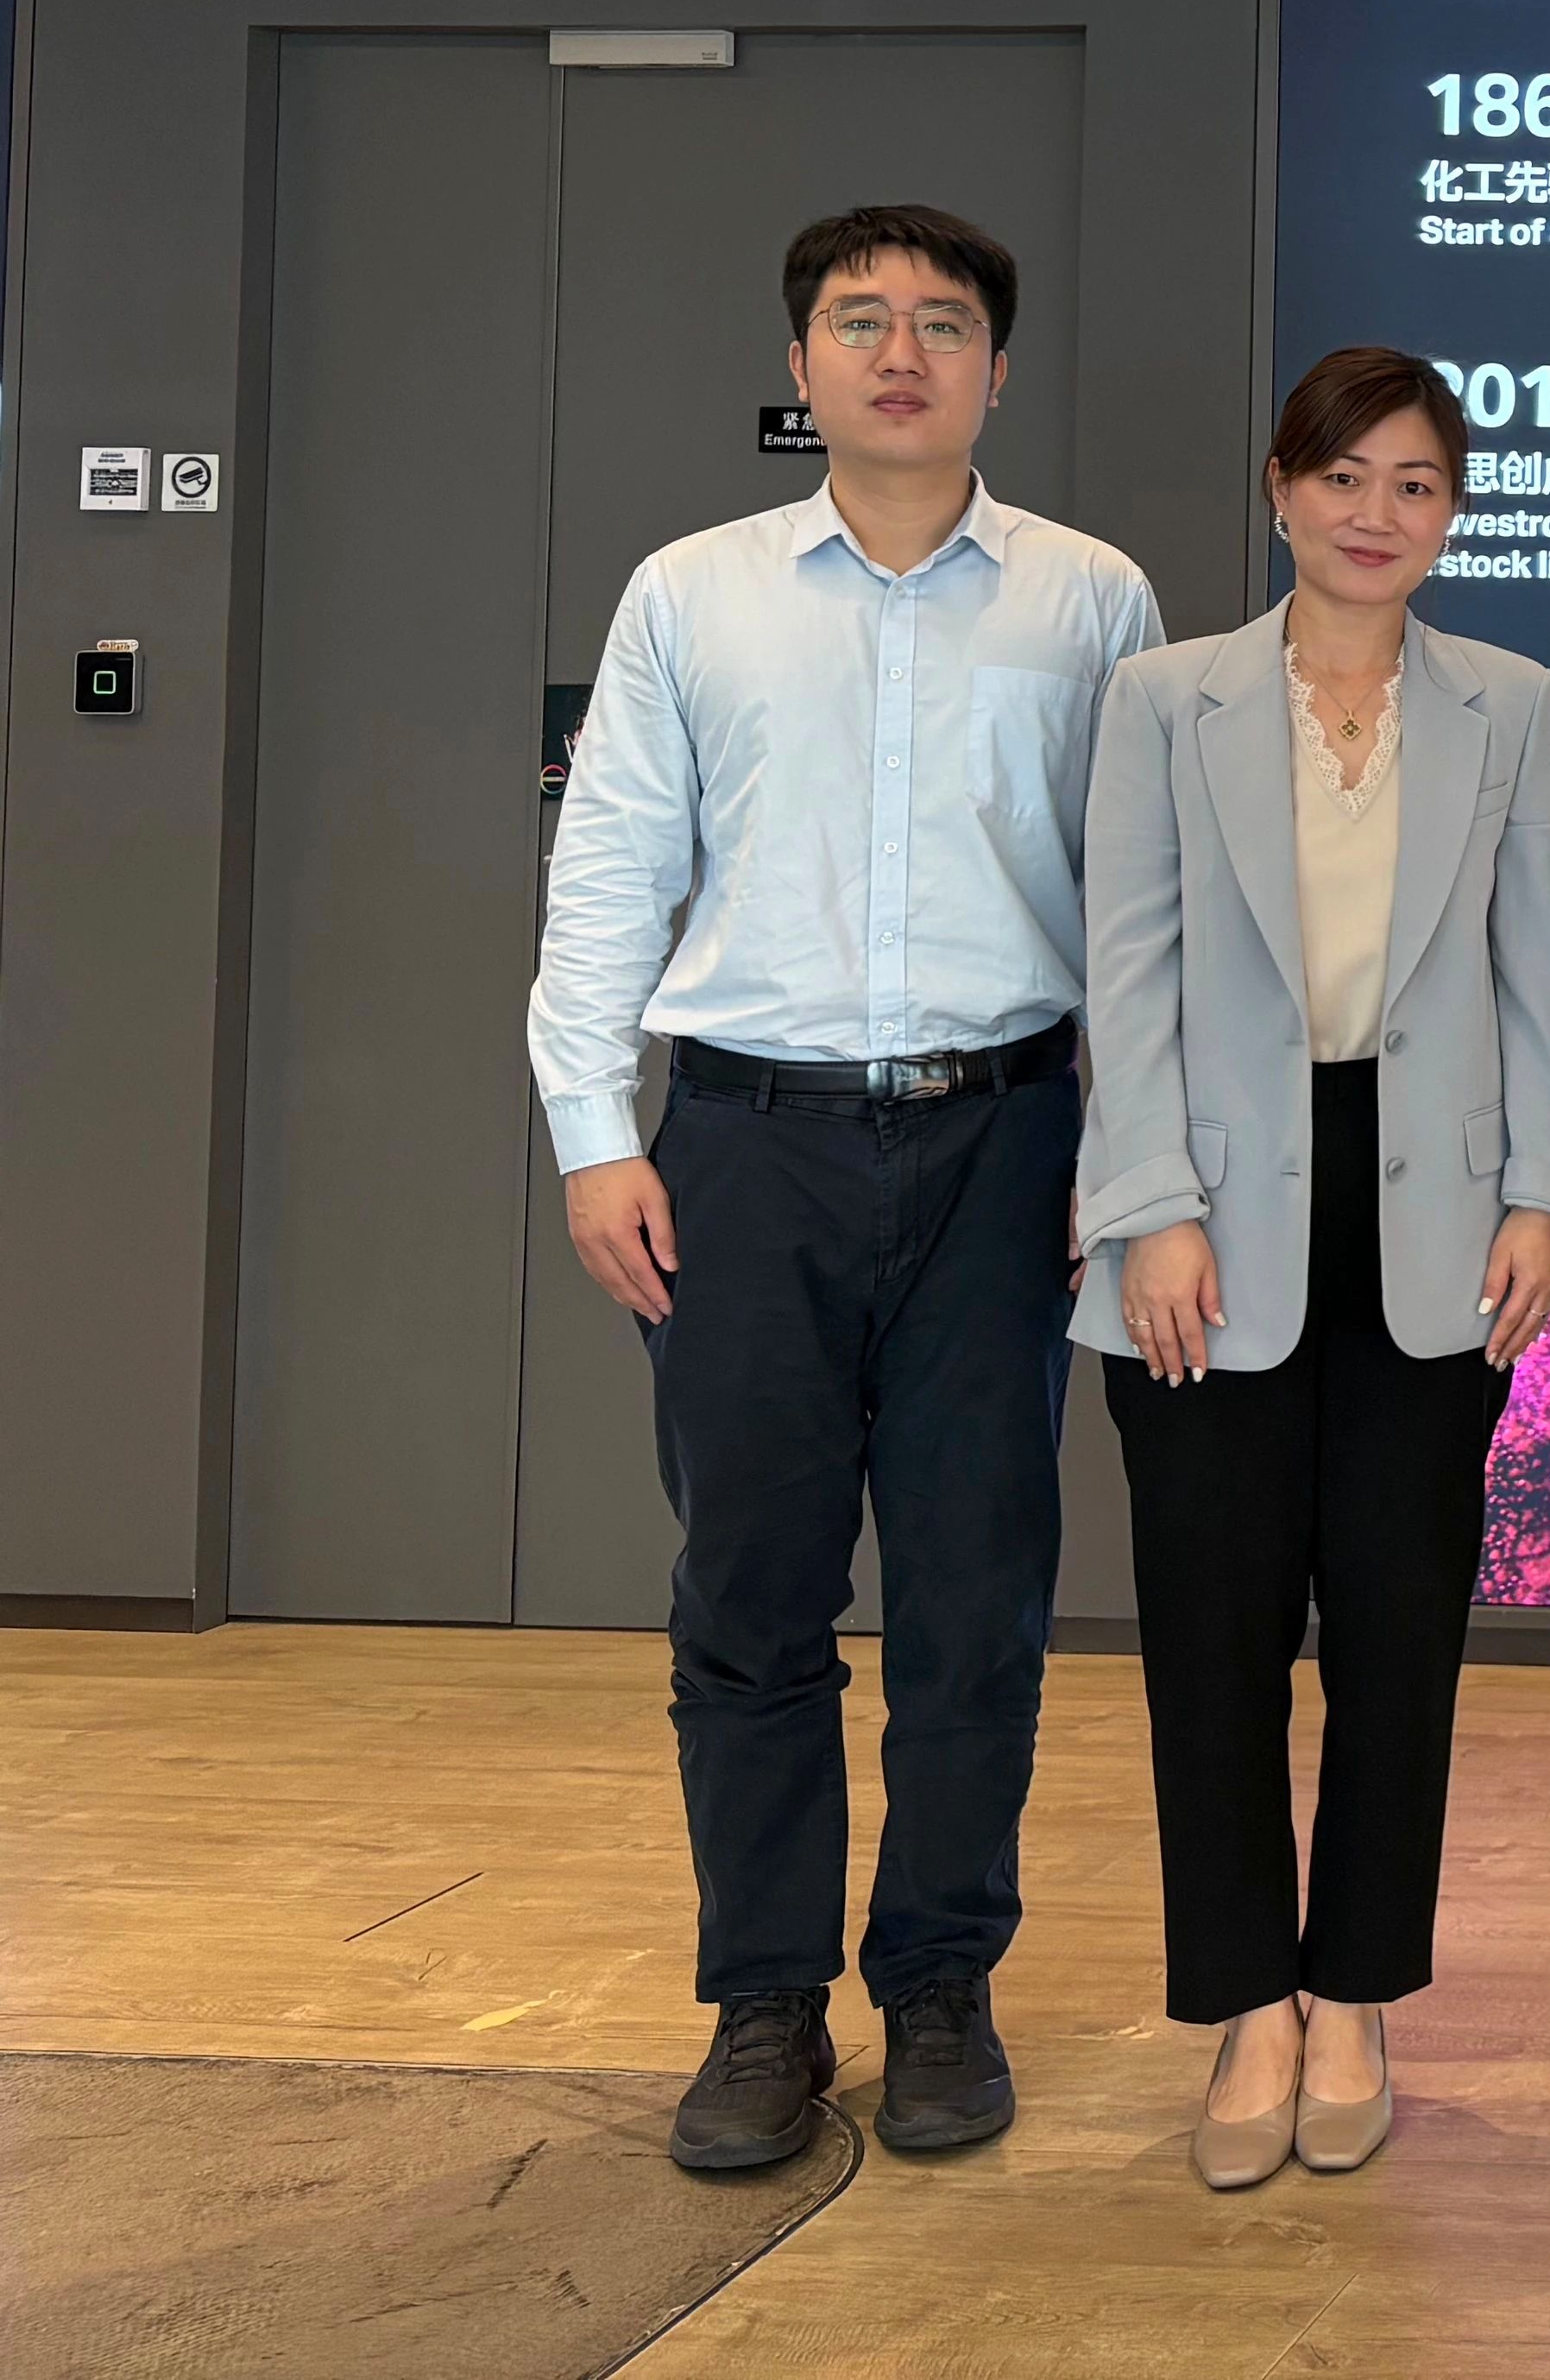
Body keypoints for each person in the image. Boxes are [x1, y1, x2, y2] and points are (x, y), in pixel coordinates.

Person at [527, 205, 1163, 2174]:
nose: (901, 353)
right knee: (749, 1596)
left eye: (943, 323)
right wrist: (593, 1131)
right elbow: (611, 866)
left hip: (1005, 1147)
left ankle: (943, 1985)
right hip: (743, 1150)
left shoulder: (1090, 599)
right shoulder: (692, 595)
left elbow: (1140, 908)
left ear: (998, 368)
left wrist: (1132, 1155)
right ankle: (765, 2005)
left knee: (978, 1600)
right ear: (799, 364)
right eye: (859, 321)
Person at [1068, 350, 1550, 2187]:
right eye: (1345, 476)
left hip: (1433, 1215)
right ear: (1282, 488)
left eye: (1418, 484)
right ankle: (1246, 2009)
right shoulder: (1168, 698)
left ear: (1453, 513)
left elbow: (1541, 969)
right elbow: (1124, 964)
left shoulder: (1510, 702)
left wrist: (1544, 1193)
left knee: (1398, 1628)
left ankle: (1356, 1990)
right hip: (1204, 1225)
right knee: (1209, 1637)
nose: (1379, 514)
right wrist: (1147, 1200)